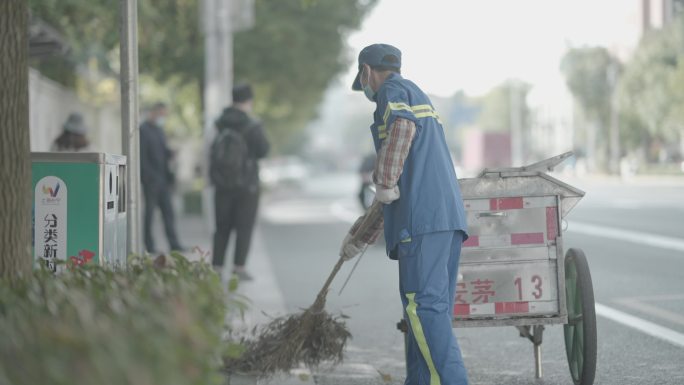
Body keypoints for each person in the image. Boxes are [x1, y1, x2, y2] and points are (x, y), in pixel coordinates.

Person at [340, 44, 469, 385]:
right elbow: (398, 184)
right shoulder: (418, 95)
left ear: (366, 72)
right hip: (446, 219)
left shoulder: (392, 92)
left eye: (363, 81)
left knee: (422, 310)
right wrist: (359, 237)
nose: (366, 89)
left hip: (421, 222)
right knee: (425, 312)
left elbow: (399, 137)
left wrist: (382, 180)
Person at [211, 84, 269, 281]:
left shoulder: (219, 122)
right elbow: (263, 150)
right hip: (247, 185)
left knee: (221, 226)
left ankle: (217, 266)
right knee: (244, 226)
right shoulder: (253, 125)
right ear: (249, 101)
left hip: (222, 184)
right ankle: (239, 267)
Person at [140, 102, 184, 254]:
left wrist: (171, 153)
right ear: (154, 112)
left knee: (168, 213)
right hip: (151, 180)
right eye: (161, 114)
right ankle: (149, 245)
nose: (163, 118)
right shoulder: (143, 131)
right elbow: (142, 157)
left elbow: (162, 152)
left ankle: (174, 244)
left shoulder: (159, 131)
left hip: (163, 179)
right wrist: (148, 177)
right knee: (150, 214)